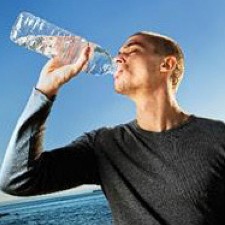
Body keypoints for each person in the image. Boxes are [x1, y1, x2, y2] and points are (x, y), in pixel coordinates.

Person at [0, 31, 225, 225]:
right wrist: (45, 91)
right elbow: (17, 179)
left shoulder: (218, 137)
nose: (118, 57)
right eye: (118, 52)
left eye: (132, 50)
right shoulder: (104, 146)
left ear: (166, 64)